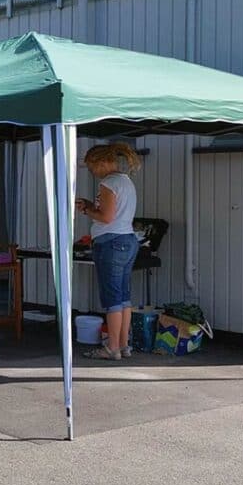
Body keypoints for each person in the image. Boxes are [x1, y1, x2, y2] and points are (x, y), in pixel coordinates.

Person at [76, 142, 142, 360]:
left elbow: (106, 217)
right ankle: (124, 345)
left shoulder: (109, 183)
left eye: (93, 167)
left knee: (111, 297)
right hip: (128, 240)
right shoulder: (126, 181)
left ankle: (111, 347)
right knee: (123, 296)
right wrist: (91, 206)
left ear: (103, 162)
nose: (93, 172)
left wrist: (86, 209)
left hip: (111, 242)